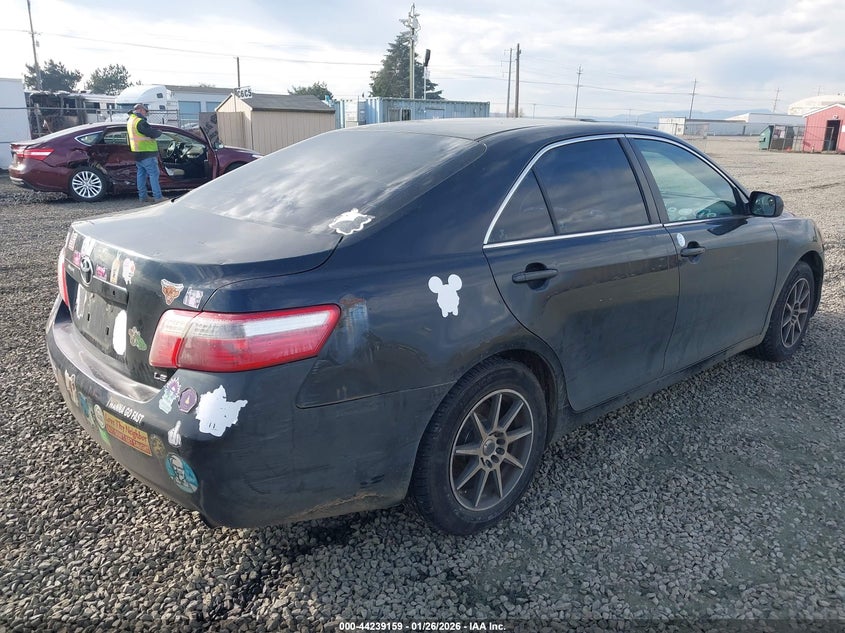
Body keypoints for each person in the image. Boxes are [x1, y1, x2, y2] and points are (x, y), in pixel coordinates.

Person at [126, 103, 164, 203]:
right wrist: (159, 132)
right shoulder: (140, 122)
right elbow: (151, 133)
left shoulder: (130, 121)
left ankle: (143, 197)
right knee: (154, 174)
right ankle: (158, 197)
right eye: (145, 111)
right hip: (147, 152)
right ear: (141, 110)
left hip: (137, 152)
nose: (146, 113)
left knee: (141, 174)